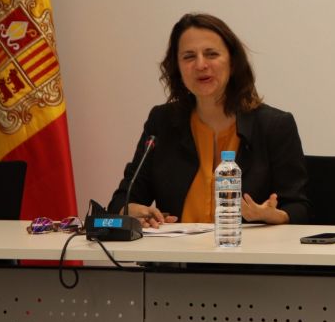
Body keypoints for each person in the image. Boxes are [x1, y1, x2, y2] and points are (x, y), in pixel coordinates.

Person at [108, 13, 310, 227]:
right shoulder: (162, 121)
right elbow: (122, 200)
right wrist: (131, 210)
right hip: (176, 248)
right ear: (177, 67)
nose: (201, 64)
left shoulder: (274, 125)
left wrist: (274, 215)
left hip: (245, 247)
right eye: (189, 57)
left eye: (211, 54)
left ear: (233, 62)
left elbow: (300, 208)